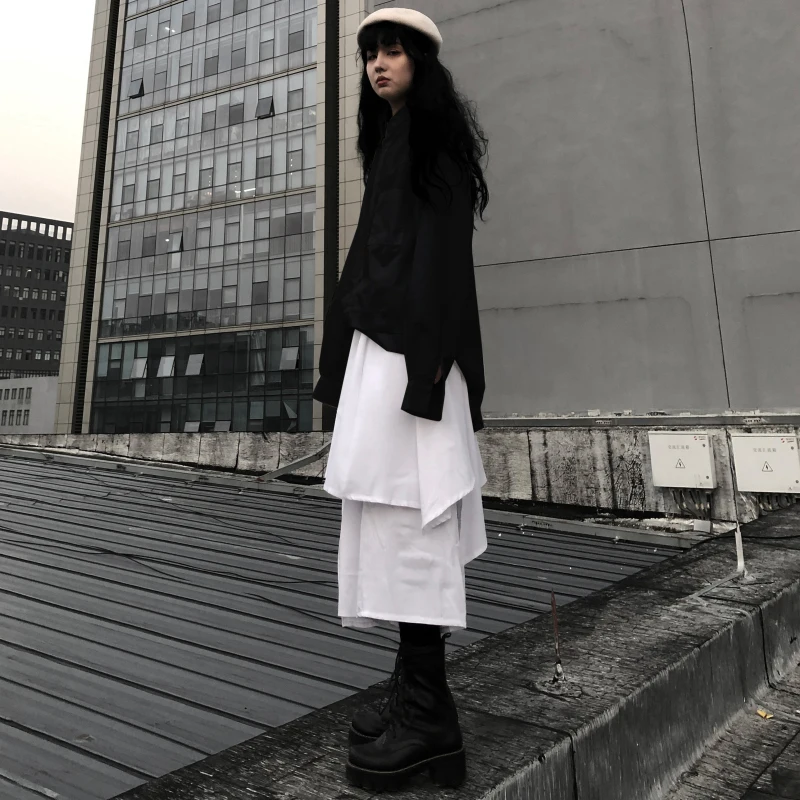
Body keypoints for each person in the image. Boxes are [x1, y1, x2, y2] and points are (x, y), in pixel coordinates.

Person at [312, 7, 490, 793]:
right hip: (388, 350)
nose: (377, 64)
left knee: (411, 509)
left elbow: (442, 264)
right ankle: (418, 699)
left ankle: (428, 718)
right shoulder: (395, 139)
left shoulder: (430, 140)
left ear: (421, 60)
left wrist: (425, 372)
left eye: (391, 52)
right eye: (369, 54)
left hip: (413, 354)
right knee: (390, 510)